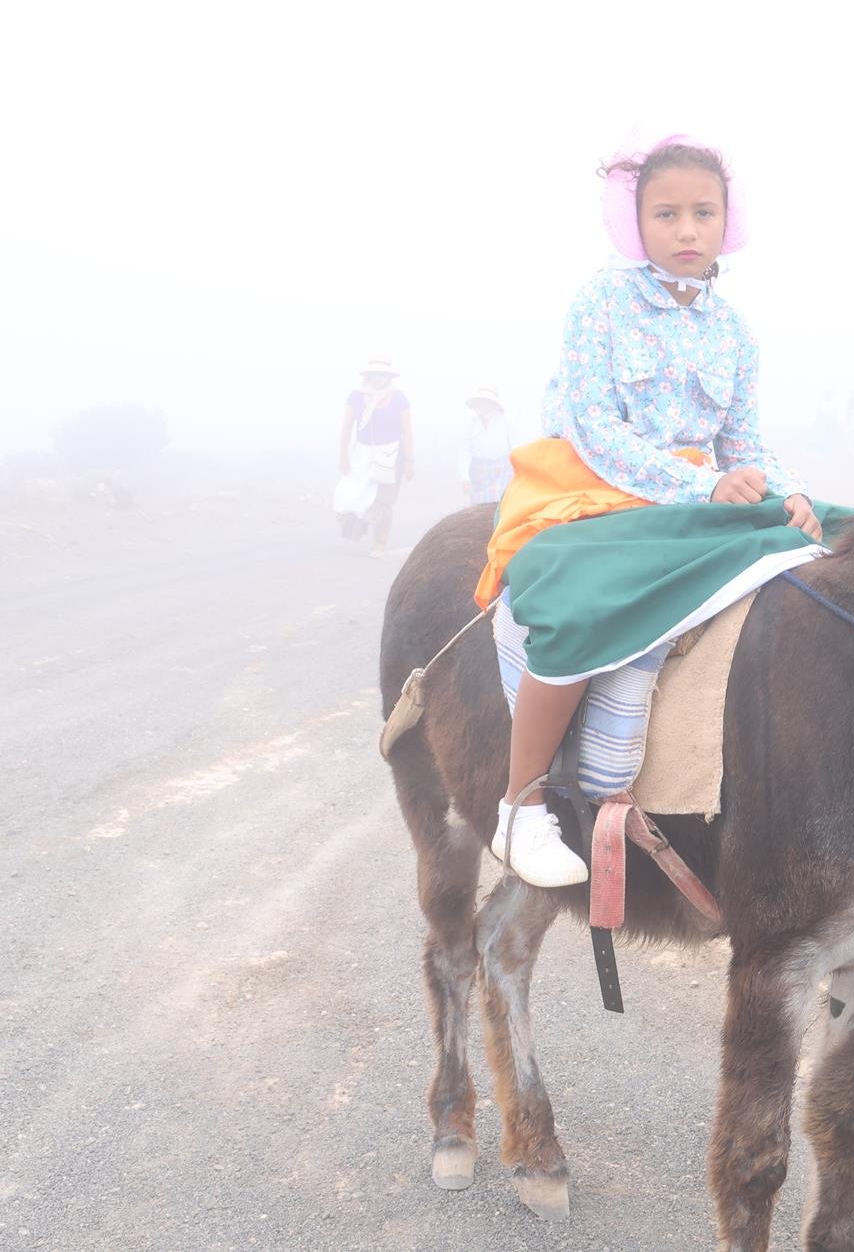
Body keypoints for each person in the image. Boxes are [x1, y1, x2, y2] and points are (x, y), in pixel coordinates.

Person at [475, 135, 822, 887]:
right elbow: (596, 427)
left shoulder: (734, 330)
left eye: (703, 212)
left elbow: (743, 440)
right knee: (575, 604)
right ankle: (522, 804)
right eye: (667, 214)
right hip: (595, 481)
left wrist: (784, 486)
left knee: (839, 534)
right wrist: (699, 488)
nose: (687, 230)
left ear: (727, 220)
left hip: (698, 491)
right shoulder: (600, 301)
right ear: (637, 222)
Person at [338, 360, 414, 557]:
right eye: (376, 374)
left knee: (384, 501)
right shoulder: (356, 397)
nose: (379, 378)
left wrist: (409, 461)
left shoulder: (398, 399)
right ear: (368, 376)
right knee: (354, 496)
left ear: (389, 377)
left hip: (391, 457)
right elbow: (347, 427)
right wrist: (343, 457)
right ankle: (358, 528)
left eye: (383, 375)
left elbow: (407, 430)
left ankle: (379, 542)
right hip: (362, 455)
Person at [460, 387, 513, 506]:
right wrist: (465, 477)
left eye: (484, 402)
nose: (481, 406)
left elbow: (516, 448)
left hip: (503, 468)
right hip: (478, 470)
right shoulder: (471, 422)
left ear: (492, 404)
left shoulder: (506, 420)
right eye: (479, 402)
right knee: (479, 505)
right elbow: (464, 451)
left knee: (498, 501)